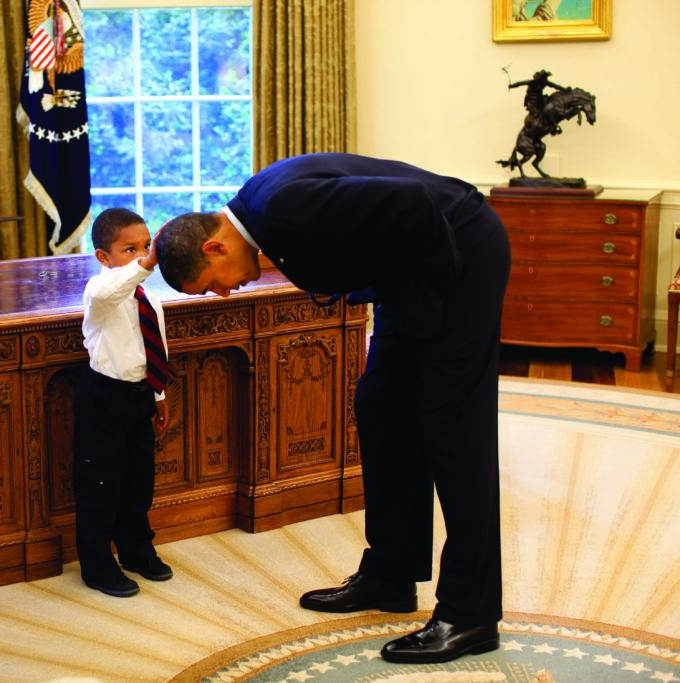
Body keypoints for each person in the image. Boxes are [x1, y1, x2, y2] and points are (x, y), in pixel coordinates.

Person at [155, 152, 510, 664]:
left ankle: (470, 614)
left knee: (455, 432)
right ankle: (390, 575)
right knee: (382, 406)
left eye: (212, 282)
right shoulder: (263, 213)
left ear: (214, 246)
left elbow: (416, 203)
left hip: (459, 258)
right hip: (414, 275)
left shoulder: (282, 208)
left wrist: (439, 310)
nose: (224, 291)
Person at [74, 208, 172, 597]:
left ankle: (136, 549)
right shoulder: (100, 294)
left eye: (145, 246)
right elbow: (111, 289)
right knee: (100, 483)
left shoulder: (148, 298)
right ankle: (97, 564)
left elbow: (154, 346)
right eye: (129, 249)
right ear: (104, 257)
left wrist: (159, 394)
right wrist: (147, 263)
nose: (140, 254)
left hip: (138, 396)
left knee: (138, 480)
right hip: (103, 397)